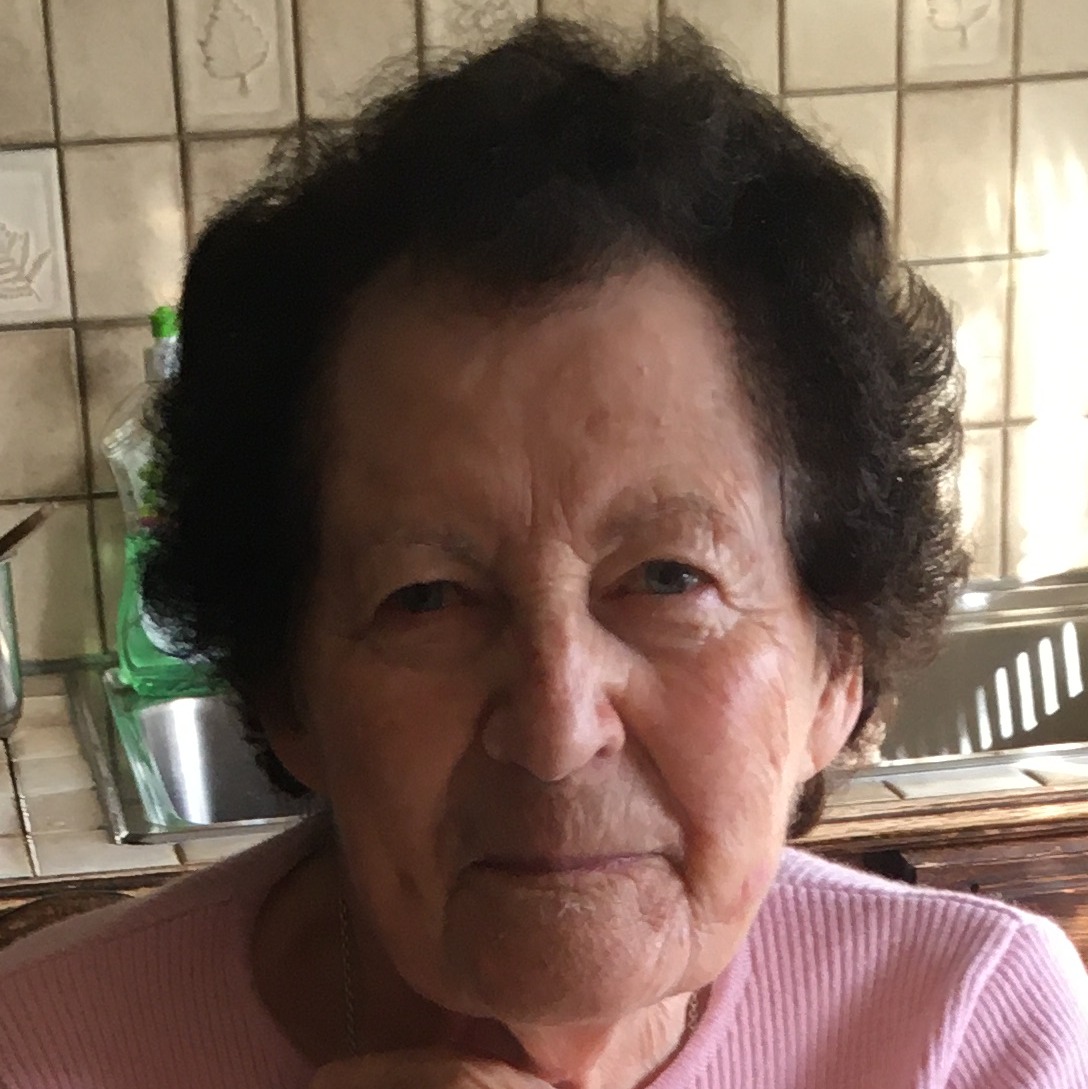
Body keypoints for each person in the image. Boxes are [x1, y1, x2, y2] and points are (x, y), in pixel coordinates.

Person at [1, 16, 1086, 1089]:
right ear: (290, 692)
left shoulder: (969, 1029)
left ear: (836, 667)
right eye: (427, 596)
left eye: (670, 577)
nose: (556, 729)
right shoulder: (31, 1047)